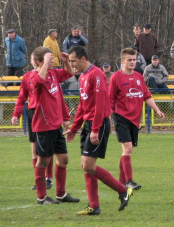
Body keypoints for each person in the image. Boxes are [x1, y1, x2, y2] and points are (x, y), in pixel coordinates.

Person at [64, 46, 133, 216]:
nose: (71, 64)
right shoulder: (82, 77)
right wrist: (74, 128)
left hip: (99, 124)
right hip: (88, 124)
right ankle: (94, 206)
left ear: (83, 58)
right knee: (86, 166)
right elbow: (82, 104)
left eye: (73, 61)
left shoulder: (97, 74)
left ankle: (122, 190)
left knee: (88, 165)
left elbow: (101, 104)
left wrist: (95, 129)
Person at [109, 48, 165, 192]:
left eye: (134, 60)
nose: (132, 62)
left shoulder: (139, 77)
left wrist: (157, 110)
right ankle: (129, 181)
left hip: (135, 119)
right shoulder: (116, 77)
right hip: (120, 117)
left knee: (127, 150)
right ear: (123, 61)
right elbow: (110, 100)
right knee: (127, 149)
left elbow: (146, 96)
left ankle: (121, 182)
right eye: (129, 60)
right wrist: (108, 120)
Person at [29, 47, 80, 205]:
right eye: (50, 59)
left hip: (56, 125)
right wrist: (45, 63)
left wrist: (66, 62)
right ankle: (41, 197)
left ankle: (60, 194)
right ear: (40, 62)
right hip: (44, 126)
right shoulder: (34, 77)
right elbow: (37, 82)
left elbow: (70, 73)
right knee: (43, 161)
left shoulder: (53, 74)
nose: (53, 62)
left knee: (63, 159)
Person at [11, 54, 55, 191]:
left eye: (32, 59)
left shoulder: (50, 74)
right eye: (30, 59)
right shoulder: (27, 77)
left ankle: (48, 177)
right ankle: (39, 179)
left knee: (46, 148)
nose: (31, 61)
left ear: (38, 61)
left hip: (46, 113)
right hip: (33, 113)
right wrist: (16, 114)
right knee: (34, 148)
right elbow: (21, 97)